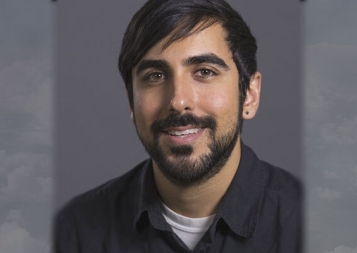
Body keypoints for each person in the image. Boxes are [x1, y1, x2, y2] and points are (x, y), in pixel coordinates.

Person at [54, 0, 302, 252]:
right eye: (155, 76)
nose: (178, 101)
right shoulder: (75, 231)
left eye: (205, 72)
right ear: (131, 101)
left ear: (249, 95)